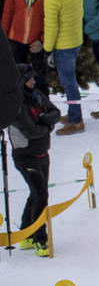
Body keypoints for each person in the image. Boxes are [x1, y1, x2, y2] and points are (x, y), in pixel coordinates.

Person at [7, 60, 56, 255]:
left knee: (36, 193)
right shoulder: (16, 106)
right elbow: (31, 131)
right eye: (29, 79)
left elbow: (55, 112)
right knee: (41, 195)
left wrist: (46, 123)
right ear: (21, 81)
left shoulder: (36, 95)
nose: (33, 81)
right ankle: (39, 239)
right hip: (26, 156)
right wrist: (47, 125)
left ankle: (26, 234)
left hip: (43, 152)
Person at [40, 0, 85, 134]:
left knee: (68, 83)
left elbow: (51, 26)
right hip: (75, 40)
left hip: (62, 45)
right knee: (70, 81)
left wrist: (47, 49)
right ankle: (73, 112)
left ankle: (76, 121)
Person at [4, 0, 47, 80]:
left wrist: (42, 40)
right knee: (17, 77)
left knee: (40, 78)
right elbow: (8, 11)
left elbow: (52, 18)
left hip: (36, 41)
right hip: (15, 39)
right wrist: (4, 38)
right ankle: (20, 100)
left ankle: (41, 100)